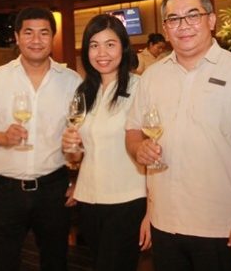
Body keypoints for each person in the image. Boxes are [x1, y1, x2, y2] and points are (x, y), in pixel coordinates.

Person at [126, 0, 231, 271]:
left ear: (211, 20)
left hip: (222, 226)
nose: (183, 25)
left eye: (193, 15)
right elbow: (133, 131)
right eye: (174, 19)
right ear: (165, 29)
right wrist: (138, 147)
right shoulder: (152, 77)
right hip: (165, 223)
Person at [0, 7, 82, 271]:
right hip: (6, 192)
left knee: (56, 262)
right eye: (28, 32)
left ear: (53, 37)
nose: (36, 40)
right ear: (17, 37)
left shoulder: (71, 81)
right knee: (2, 262)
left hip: (53, 190)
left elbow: (82, 134)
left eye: (44, 33)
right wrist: (1, 137)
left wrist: (79, 178)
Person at [62, 14, 150, 271]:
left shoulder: (141, 88)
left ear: (124, 47)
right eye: (94, 45)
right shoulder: (84, 91)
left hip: (128, 200)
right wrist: (71, 147)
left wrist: (152, 211)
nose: (102, 53)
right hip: (88, 200)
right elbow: (77, 156)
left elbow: (153, 149)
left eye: (110, 44)